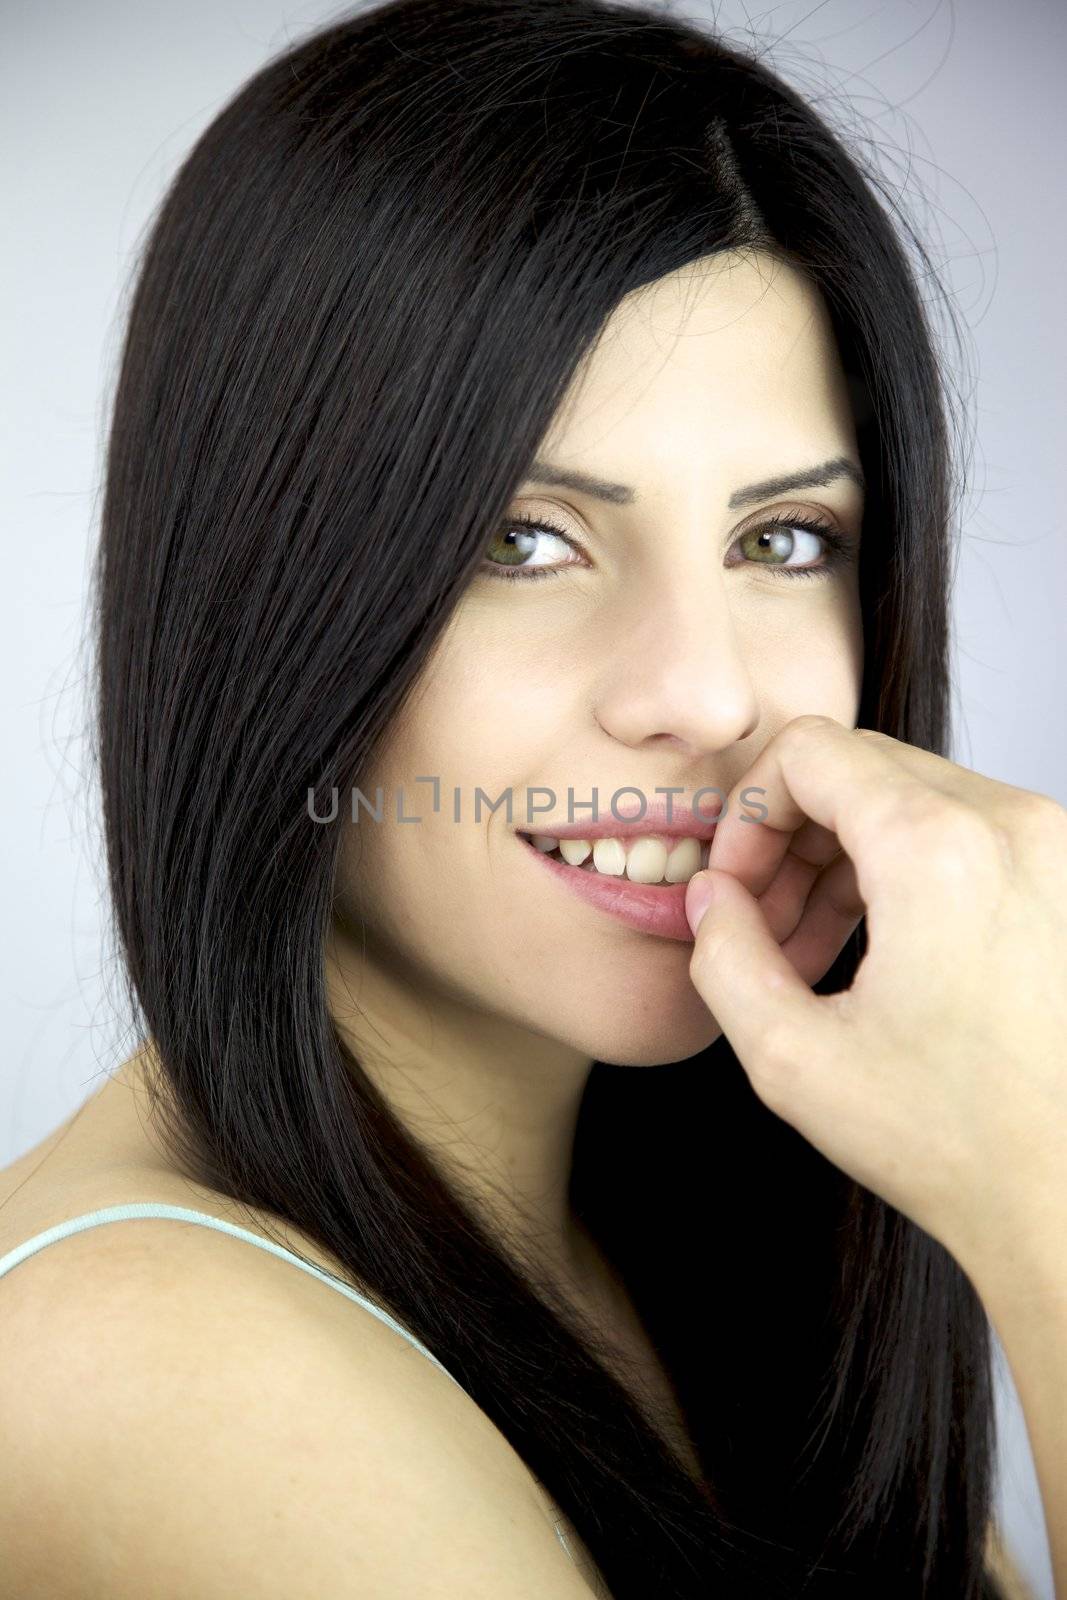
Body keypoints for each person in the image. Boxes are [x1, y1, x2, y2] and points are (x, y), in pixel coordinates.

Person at [0, 1, 1060, 1595]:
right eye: (524, 540)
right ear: (261, 591)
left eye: (780, 542)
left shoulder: (692, 1252)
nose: (702, 695)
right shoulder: (150, 1357)